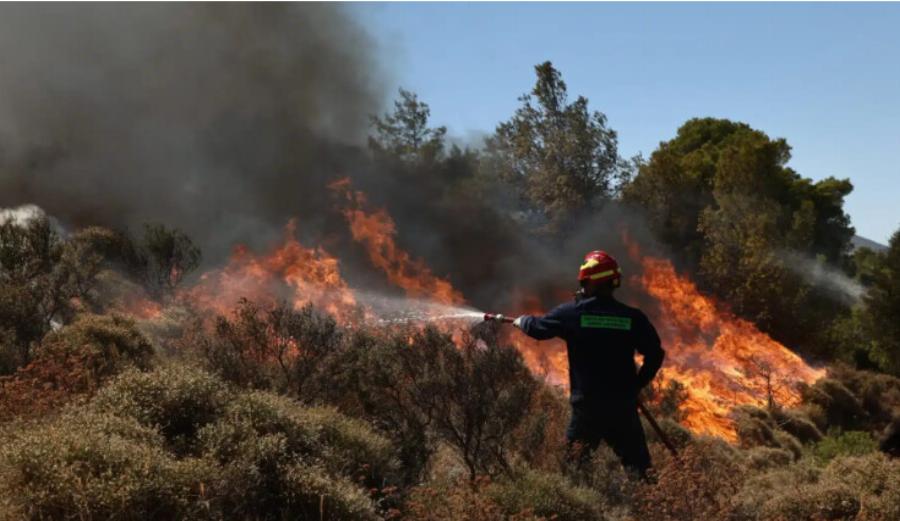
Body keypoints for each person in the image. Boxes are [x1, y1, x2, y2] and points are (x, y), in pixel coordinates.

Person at [512, 250, 665, 477]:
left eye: (583, 283)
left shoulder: (571, 314)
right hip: (622, 406)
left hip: (587, 408)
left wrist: (522, 321)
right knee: (641, 472)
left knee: (573, 471)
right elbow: (655, 354)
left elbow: (538, 329)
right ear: (614, 283)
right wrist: (637, 385)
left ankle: (574, 509)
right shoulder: (632, 317)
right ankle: (654, 507)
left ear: (589, 282)